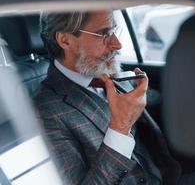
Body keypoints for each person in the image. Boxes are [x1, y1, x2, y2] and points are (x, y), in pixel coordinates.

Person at [33, 10, 183, 185]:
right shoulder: (45, 113)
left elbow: (160, 103)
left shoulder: (105, 71)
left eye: (113, 32)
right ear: (65, 40)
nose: (117, 44)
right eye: (103, 34)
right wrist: (120, 127)